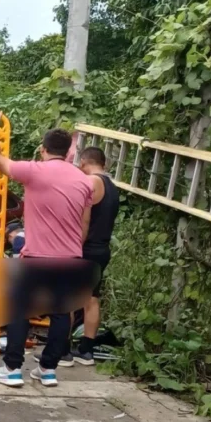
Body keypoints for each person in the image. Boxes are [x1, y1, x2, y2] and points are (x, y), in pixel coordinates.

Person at [0, 109, 93, 388]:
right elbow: (84, 223)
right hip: (70, 258)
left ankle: (12, 369)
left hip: (37, 257)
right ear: (69, 151)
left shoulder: (34, 171)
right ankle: (48, 369)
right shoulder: (84, 180)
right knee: (60, 314)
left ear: (43, 150)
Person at [73, 147, 120, 366]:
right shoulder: (112, 187)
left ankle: (61, 349)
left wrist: (75, 246)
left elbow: (83, 220)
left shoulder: (90, 183)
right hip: (102, 249)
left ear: (84, 162)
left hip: (86, 248)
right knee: (91, 299)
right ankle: (86, 350)